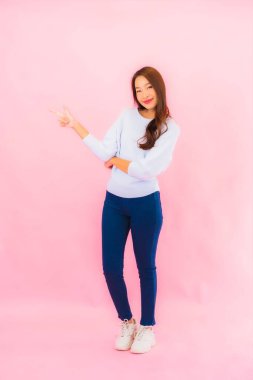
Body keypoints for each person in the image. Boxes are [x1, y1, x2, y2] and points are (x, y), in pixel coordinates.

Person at [49, 66, 181, 354]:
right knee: (110, 268)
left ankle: (147, 328)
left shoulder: (170, 128)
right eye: (138, 89)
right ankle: (127, 322)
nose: (144, 94)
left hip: (146, 203)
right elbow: (103, 151)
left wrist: (117, 160)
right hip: (115, 202)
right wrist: (75, 124)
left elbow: (147, 170)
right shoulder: (125, 116)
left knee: (145, 267)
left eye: (148, 87)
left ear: (159, 88)